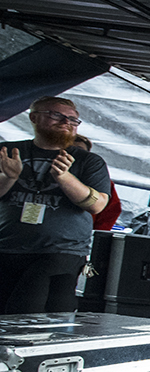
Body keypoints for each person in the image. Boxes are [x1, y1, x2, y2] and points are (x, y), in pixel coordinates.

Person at [0, 96, 111, 312]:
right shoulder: (8, 152)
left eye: (72, 119)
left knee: (27, 309)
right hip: (7, 247)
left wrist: (64, 177)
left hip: (61, 250)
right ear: (34, 117)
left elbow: (98, 205)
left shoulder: (89, 161)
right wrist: (9, 177)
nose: (65, 122)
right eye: (56, 115)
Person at [71, 134, 121, 231]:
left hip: (83, 235)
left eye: (79, 149)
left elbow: (111, 210)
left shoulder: (101, 182)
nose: (74, 153)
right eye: (70, 149)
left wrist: (97, 232)